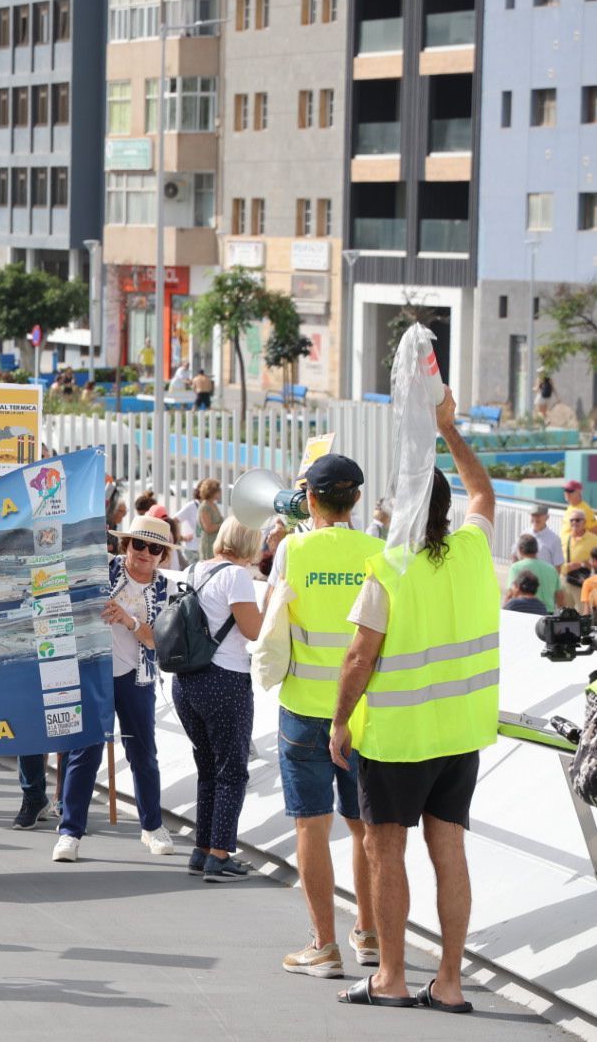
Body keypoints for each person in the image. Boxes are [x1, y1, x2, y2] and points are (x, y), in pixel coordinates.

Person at [329, 386, 496, 1012]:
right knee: (448, 850)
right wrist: (449, 428)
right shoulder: (475, 552)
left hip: (396, 738)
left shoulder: (389, 568)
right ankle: (449, 983)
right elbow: (483, 490)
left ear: (404, 513)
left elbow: (358, 659)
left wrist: (340, 723)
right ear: (447, 514)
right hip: (461, 734)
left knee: (385, 848)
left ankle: (391, 978)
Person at [249, 453, 382, 978]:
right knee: (364, 826)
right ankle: (368, 935)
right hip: (363, 711)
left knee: (311, 825)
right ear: (357, 499)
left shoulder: (293, 549)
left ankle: (323, 945)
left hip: (303, 708)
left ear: (310, 500)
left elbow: (270, 614)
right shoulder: (379, 551)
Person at [54, 514, 175, 862]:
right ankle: (70, 832)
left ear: (162, 555)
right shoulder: (101, 570)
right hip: (93, 673)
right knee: (84, 753)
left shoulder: (165, 588)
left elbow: (158, 642)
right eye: (139, 544)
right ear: (127, 544)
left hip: (136, 678)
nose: (145, 553)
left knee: (143, 755)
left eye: (154, 548)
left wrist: (129, 620)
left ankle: (151, 827)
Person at [171, 517, 263, 882]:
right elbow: (252, 630)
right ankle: (221, 855)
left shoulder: (193, 569)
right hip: (224, 679)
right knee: (232, 771)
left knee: (207, 767)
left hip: (187, 680)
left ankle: (203, 848)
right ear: (251, 543)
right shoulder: (237, 576)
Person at [508, 533, 560, 615]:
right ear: (537, 550)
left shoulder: (515, 568)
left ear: (520, 550)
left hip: (523, 613)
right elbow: (560, 596)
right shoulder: (551, 569)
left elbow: (511, 593)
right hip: (547, 616)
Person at [194, 479, 223, 561]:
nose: (220, 493)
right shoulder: (204, 507)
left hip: (216, 543)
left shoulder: (213, 504)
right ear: (212, 492)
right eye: (218, 491)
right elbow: (208, 528)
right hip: (208, 544)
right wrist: (222, 525)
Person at [528, 505, 564, 569]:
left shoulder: (554, 539)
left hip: (544, 578)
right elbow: (514, 554)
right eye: (533, 515)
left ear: (547, 517)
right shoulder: (525, 534)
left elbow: (558, 566)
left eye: (539, 516)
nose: (535, 518)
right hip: (525, 577)